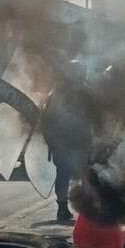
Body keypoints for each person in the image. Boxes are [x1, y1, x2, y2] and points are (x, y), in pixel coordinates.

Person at [43, 58, 94, 224]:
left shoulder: (57, 92)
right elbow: (48, 118)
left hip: (68, 141)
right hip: (73, 141)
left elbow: (46, 119)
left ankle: (63, 208)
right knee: (81, 175)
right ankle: (78, 209)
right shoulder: (84, 92)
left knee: (65, 175)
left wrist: (50, 140)